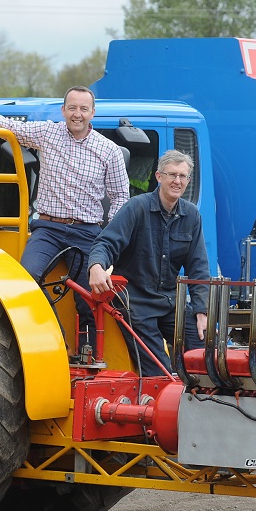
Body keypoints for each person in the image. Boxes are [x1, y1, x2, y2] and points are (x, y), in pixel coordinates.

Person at [0, 86, 129, 348]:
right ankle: (57, 342)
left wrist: (108, 236)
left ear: (93, 112)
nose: (77, 114)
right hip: (48, 228)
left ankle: (89, 355)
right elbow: (14, 127)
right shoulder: (48, 133)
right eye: (72, 108)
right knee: (26, 278)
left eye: (83, 109)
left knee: (90, 296)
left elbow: (120, 196)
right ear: (63, 110)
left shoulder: (109, 150)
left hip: (87, 232)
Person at [88, 149, 209, 376]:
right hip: (135, 303)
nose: (177, 181)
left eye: (183, 176)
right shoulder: (136, 207)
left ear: (188, 181)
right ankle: (163, 403)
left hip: (171, 302)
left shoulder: (192, 216)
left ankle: (201, 402)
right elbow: (105, 243)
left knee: (204, 352)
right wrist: (96, 267)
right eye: (172, 175)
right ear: (158, 176)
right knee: (158, 370)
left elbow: (199, 267)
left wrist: (201, 310)